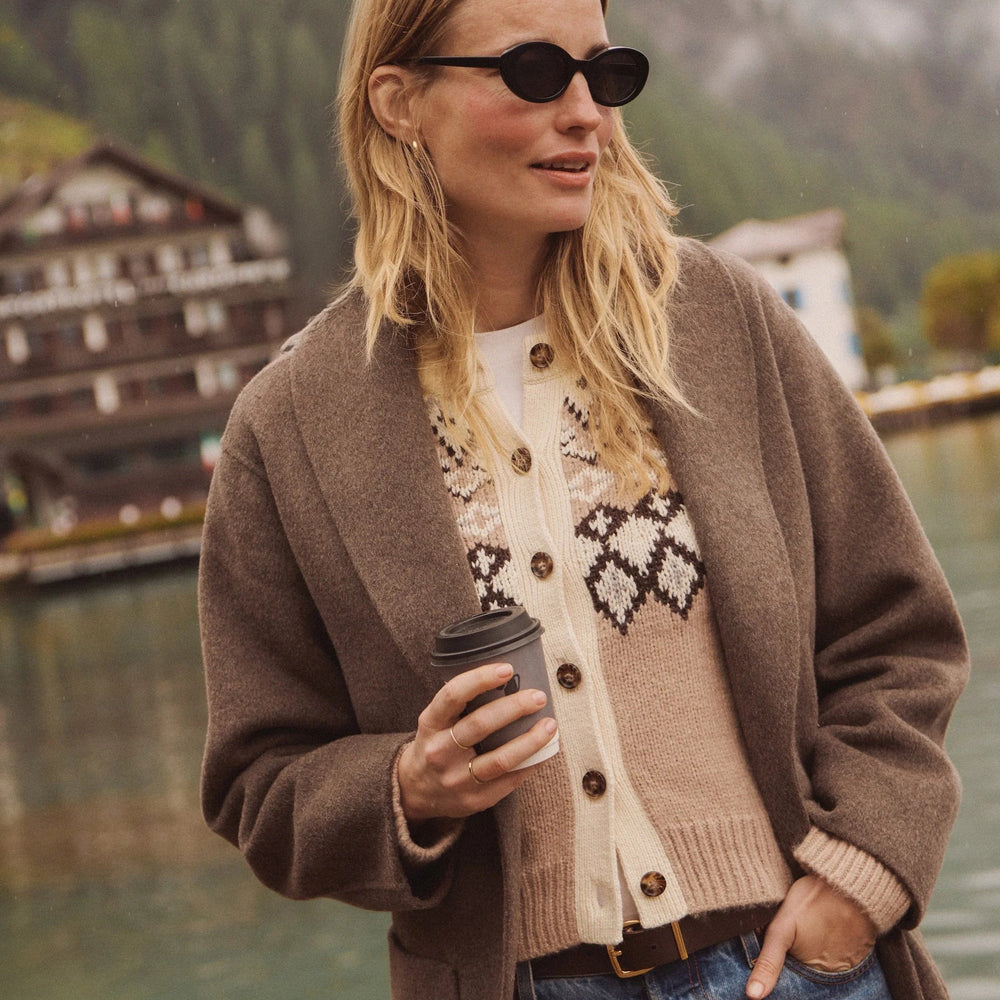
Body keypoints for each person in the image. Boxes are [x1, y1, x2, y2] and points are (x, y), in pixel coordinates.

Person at [198, 0, 968, 997]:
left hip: (795, 966)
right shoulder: (291, 426)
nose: (584, 114)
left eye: (605, 75)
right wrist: (408, 787)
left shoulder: (721, 320)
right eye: (532, 72)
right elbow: (259, 783)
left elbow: (900, 635)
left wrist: (860, 876)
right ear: (398, 100)